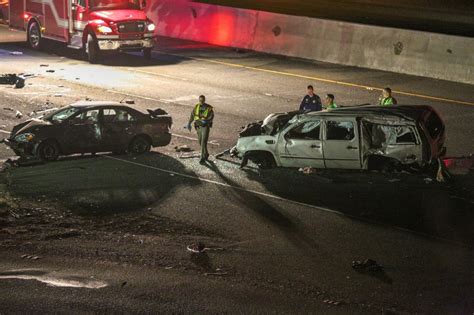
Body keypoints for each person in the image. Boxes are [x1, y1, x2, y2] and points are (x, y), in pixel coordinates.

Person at [187, 95, 214, 164]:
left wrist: (206, 121)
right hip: (198, 127)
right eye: (200, 100)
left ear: (204, 100)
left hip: (205, 127)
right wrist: (189, 123)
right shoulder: (196, 107)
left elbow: (211, 117)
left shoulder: (209, 108)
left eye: (202, 100)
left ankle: (202, 157)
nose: (201, 102)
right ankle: (206, 153)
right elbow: (192, 115)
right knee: (200, 142)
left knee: (203, 142)